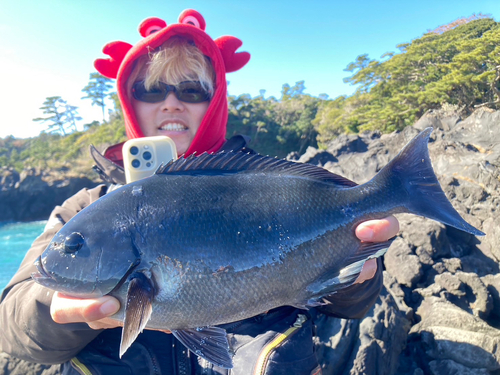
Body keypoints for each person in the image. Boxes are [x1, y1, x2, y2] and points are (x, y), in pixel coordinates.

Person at [0, 9, 399, 375]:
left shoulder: (265, 185)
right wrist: (52, 307)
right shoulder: (86, 207)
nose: (171, 104)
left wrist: (356, 277)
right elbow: (11, 325)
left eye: (192, 89)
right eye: (150, 89)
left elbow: (353, 304)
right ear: (129, 101)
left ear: (216, 100)